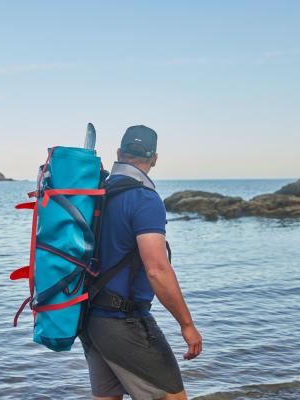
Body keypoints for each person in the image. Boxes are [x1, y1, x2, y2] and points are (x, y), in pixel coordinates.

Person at [80, 125, 202, 400]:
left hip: (90, 318)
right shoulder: (145, 199)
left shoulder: (97, 194)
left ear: (119, 153)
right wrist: (186, 324)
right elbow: (158, 270)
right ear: (155, 158)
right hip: (124, 321)